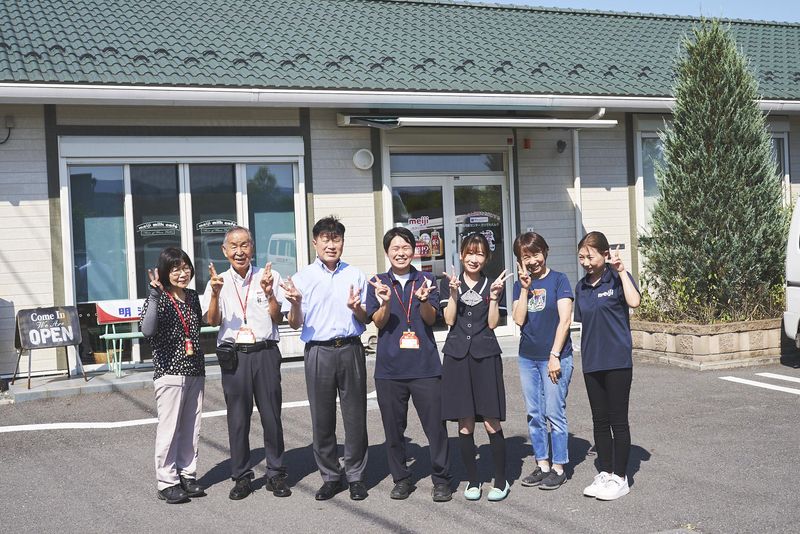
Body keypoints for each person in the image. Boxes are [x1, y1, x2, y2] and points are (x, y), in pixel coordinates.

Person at [281, 216, 370, 501]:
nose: (331, 245)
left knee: (355, 416)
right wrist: (296, 303)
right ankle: (331, 476)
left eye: (336, 239)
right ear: (315, 242)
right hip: (318, 351)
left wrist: (356, 309)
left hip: (351, 348)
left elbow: (365, 317)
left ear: (343, 243)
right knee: (322, 418)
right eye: (326, 239)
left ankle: (355, 476)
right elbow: (294, 323)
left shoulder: (355, 274)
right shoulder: (302, 278)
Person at [201, 226, 291, 500]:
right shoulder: (217, 281)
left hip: (265, 353)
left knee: (271, 416)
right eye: (234, 246)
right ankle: (241, 477)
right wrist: (215, 294)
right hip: (234, 356)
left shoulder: (269, 276)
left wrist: (270, 293)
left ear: (252, 247)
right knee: (238, 419)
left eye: (245, 245)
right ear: (224, 251)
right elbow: (212, 321)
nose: (239, 251)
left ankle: (276, 473)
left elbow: (278, 318)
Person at [365, 227, 452, 502]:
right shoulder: (378, 282)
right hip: (389, 369)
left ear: (413, 251)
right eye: (395, 248)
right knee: (393, 429)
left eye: (405, 248)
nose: (400, 253)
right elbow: (378, 322)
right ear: (387, 252)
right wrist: (384, 302)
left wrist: (424, 301)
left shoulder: (426, 279)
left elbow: (430, 319)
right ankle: (401, 478)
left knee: (436, 427)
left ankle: (441, 480)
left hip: (425, 367)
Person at [440, 233, 513, 502]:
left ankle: (501, 481)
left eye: (480, 253)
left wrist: (494, 297)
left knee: (491, 420)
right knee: (465, 421)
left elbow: (492, 324)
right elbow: (449, 320)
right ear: (461, 255)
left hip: (485, 356)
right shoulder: (449, 283)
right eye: (470, 253)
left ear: (487, 258)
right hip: (457, 357)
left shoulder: (493, 284)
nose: (474, 258)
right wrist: (453, 294)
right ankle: (473, 481)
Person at [574, 231, 640, 501]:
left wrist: (622, 271)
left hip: (617, 361)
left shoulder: (616, 278)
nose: (586, 263)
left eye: (590, 257)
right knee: (599, 421)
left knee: (618, 420)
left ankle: (620, 478)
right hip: (592, 361)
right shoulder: (581, 287)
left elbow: (634, 302)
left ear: (604, 254)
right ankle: (606, 472)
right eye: (581, 258)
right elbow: (584, 322)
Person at [140, 247, 205, 504]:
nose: (182, 273)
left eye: (186, 267)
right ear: (165, 272)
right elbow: (147, 330)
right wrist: (154, 296)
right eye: (176, 269)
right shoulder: (159, 297)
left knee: (191, 427)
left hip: (195, 370)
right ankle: (167, 482)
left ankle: (187, 474)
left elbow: (197, 327)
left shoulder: (192, 297)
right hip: (169, 372)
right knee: (169, 429)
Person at [511, 232, 574, 491]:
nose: (533, 260)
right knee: (534, 414)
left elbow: (565, 321)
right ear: (520, 260)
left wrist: (554, 355)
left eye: (536, 254)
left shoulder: (559, 280)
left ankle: (559, 467)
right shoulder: (520, 285)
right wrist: (525, 288)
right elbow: (518, 319)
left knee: (554, 413)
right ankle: (543, 463)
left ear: (545, 251)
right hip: (528, 358)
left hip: (555, 357)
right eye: (526, 257)